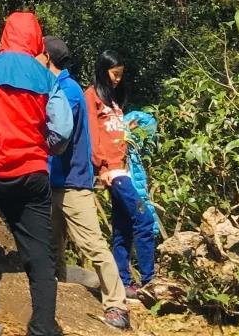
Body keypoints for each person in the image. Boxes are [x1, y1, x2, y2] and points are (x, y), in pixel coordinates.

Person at [0, 12, 73, 336]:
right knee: (41, 256)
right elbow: (62, 128)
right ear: (36, 40)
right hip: (31, 173)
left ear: (5, 35)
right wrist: (46, 147)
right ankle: (42, 325)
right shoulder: (47, 78)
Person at [43, 37, 129, 331]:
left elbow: (59, 136)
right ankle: (59, 291)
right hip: (52, 181)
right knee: (52, 244)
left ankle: (116, 304)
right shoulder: (57, 88)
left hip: (72, 183)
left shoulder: (68, 91)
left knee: (93, 244)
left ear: (46, 58)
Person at [86, 52, 156, 297]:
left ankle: (124, 282)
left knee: (123, 228)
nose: (117, 80)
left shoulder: (114, 101)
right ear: (103, 70)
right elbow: (93, 135)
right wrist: (101, 167)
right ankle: (150, 281)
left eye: (120, 75)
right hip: (113, 172)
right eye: (114, 74)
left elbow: (114, 131)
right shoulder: (92, 95)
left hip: (124, 168)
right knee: (145, 221)